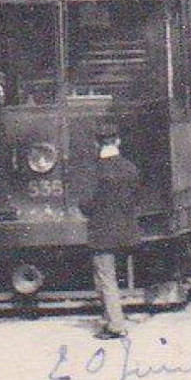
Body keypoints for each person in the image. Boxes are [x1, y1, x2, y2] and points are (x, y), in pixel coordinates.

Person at [77, 119, 140, 339]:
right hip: (126, 232)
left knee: (105, 279)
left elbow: (86, 203)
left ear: (97, 144)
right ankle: (113, 317)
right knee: (112, 278)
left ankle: (115, 324)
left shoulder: (94, 171)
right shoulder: (130, 168)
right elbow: (135, 199)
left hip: (102, 233)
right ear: (118, 141)